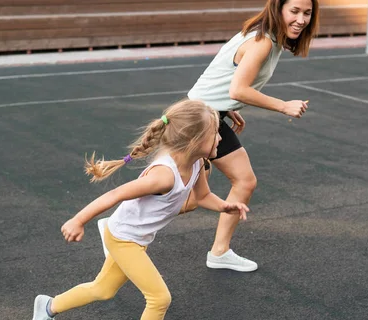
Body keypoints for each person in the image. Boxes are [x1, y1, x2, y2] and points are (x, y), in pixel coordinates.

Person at [29, 99, 250, 320]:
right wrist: (77, 220)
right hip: (124, 239)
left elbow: (203, 197)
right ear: (195, 139)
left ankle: (48, 306)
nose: (222, 136)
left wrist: (225, 207)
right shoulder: (163, 175)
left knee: (102, 289)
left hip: (136, 238)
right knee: (159, 297)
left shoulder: (197, 163)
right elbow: (115, 195)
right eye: (215, 132)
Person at [97, 0, 318, 272]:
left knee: (191, 200)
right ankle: (214, 250)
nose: (301, 19)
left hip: (207, 112)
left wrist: (227, 109)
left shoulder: (265, 34)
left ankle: (121, 225)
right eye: (294, 11)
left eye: (307, 13)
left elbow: (223, 78)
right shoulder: (263, 42)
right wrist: (283, 105)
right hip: (201, 120)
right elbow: (238, 88)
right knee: (241, 182)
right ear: (278, 8)